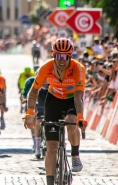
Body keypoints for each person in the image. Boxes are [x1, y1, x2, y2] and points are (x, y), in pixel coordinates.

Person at [24, 38, 87, 185]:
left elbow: (78, 98)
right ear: (53, 55)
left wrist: (80, 118)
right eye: (58, 56)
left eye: (65, 56)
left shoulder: (78, 69)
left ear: (70, 57)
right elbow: (33, 92)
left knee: (72, 122)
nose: (61, 60)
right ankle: (50, 182)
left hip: (72, 99)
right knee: (51, 147)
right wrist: (29, 113)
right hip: (53, 99)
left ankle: (75, 155)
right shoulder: (46, 67)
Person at [22, 71, 49, 158]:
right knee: (38, 120)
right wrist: (29, 117)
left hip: (50, 97)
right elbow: (30, 96)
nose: (44, 81)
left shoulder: (53, 83)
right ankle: (37, 146)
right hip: (39, 98)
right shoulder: (32, 82)